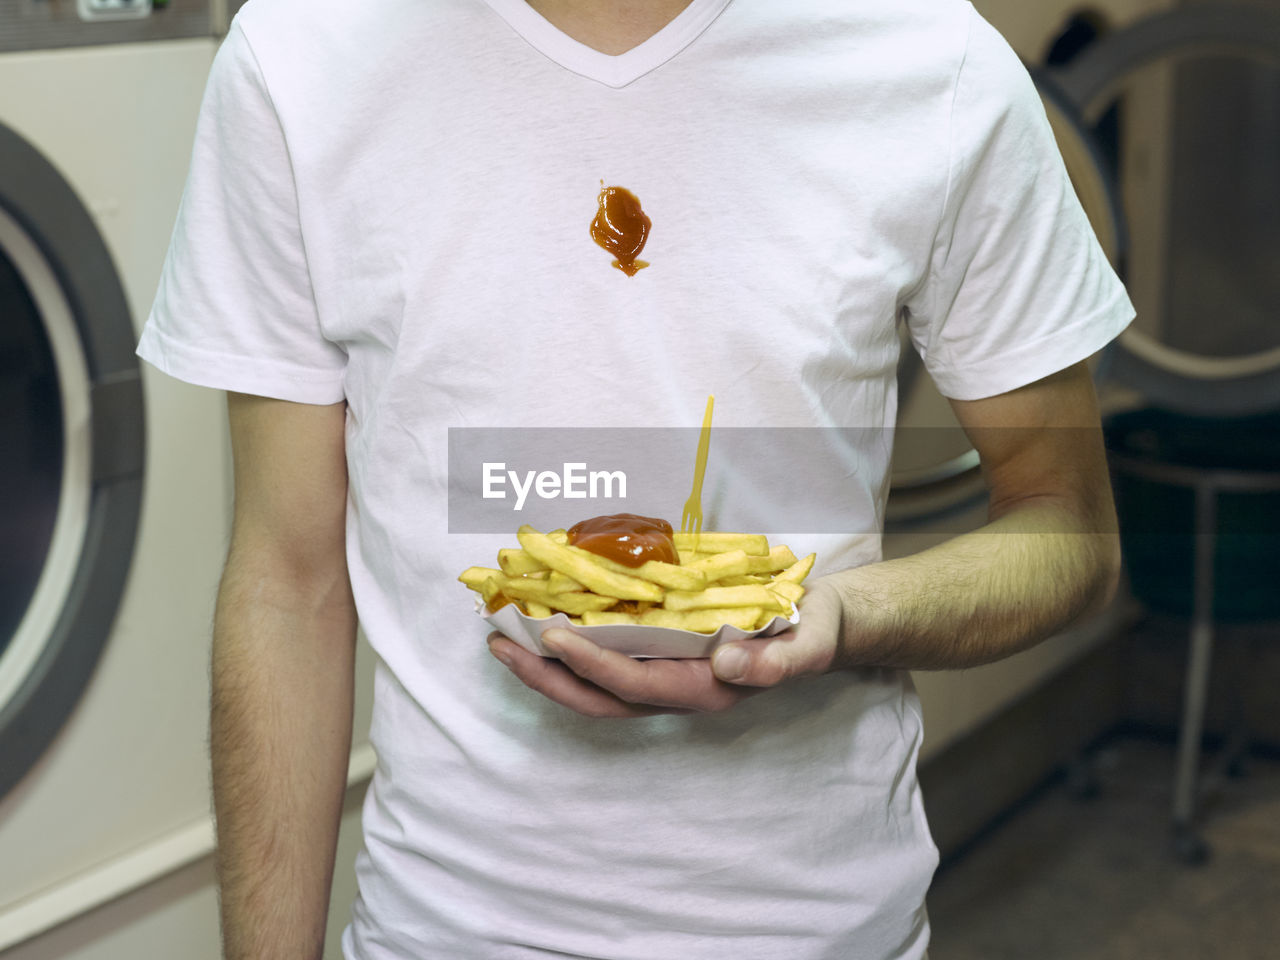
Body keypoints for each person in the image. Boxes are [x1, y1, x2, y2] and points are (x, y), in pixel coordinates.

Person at [136, 0, 1133, 956]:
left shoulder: (930, 60)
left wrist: (839, 618)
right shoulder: (301, 54)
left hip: (813, 927)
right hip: (446, 929)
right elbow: (287, 580)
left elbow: (1067, 530)